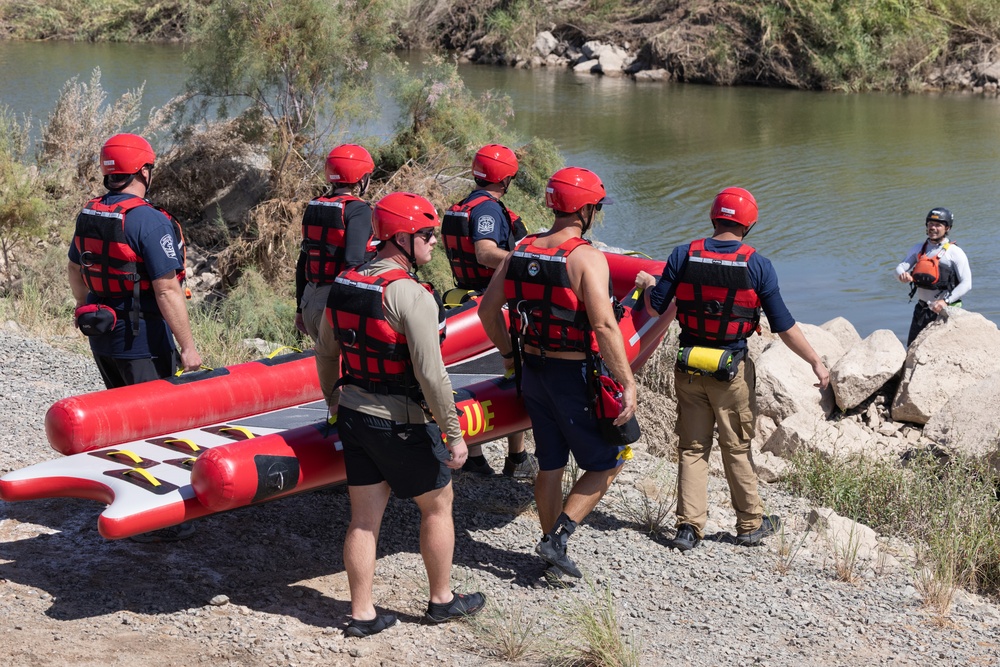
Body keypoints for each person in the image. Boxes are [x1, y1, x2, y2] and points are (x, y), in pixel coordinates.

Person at [315, 192, 485, 637]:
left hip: (353, 414)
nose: (434, 243)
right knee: (438, 504)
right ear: (402, 238)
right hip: (399, 421)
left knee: (364, 519)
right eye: (427, 235)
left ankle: (362, 614)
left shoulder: (346, 283)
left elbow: (326, 351)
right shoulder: (411, 296)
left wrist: (333, 402)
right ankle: (443, 601)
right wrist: (454, 435)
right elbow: (433, 376)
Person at [635, 186, 829, 552]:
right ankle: (750, 525)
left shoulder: (683, 254)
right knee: (736, 448)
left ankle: (688, 529)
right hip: (730, 370)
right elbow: (783, 325)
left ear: (714, 216)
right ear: (749, 223)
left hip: (689, 365)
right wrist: (816, 361)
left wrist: (648, 285)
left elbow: (657, 305)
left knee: (692, 448)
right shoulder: (757, 265)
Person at [478, 167, 636, 579]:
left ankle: (550, 556)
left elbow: (486, 311)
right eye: (596, 208)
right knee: (612, 458)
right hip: (574, 378)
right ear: (584, 210)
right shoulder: (586, 258)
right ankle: (558, 538)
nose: (597, 213)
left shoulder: (518, 251)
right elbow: (603, 326)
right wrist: (627, 382)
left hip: (533, 372)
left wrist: (510, 357)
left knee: (550, 463)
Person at [68, 133, 202, 543]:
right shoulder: (149, 220)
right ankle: (158, 518)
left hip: (102, 332)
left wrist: (89, 307)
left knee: (124, 424)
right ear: (144, 169)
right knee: (157, 428)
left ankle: (127, 498)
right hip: (143, 339)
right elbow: (167, 289)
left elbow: (75, 271)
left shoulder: (90, 212)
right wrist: (188, 346)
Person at [442, 144, 535, 479]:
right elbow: (484, 253)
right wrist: (527, 261)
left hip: (463, 302)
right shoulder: (488, 211)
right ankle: (517, 458)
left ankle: (477, 458)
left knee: (475, 380)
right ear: (506, 179)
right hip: (492, 304)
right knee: (514, 374)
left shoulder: (459, 207)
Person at [295, 143, 378, 342]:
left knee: (327, 366)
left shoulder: (314, 206)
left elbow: (303, 262)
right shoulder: (358, 210)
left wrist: (299, 308)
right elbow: (353, 263)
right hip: (335, 302)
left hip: (309, 301)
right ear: (361, 177)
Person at [895, 207, 971, 346]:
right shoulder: (918, 249)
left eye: (938, 225)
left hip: (946, 310)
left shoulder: (955, 253)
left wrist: (945, 302)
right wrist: (902, 275)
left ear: (947, 228)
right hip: (922, 310)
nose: (933, 228)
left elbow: (967, 283)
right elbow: (899, 268)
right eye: (930, 224)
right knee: (912, 348)